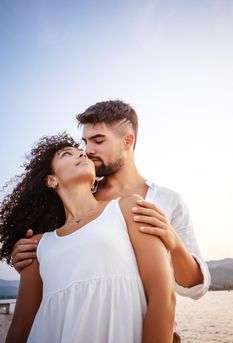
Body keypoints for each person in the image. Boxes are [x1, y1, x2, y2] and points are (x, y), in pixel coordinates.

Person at [11, 100, 210, 300]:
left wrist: (173, 242)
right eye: (85, 142)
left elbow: (195, 287)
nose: (88, 150)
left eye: (98, 141)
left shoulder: (168, 200)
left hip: (155, 326)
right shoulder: (75, 201)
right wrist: (28, 257)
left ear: (127, 141)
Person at [1, 133, 175, 343]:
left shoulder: (128, 209)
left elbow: (163, 298)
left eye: (81, 151)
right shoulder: (37, 246)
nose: (82, 153)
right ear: (51, 180)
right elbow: (20, 328)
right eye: (67, 154)